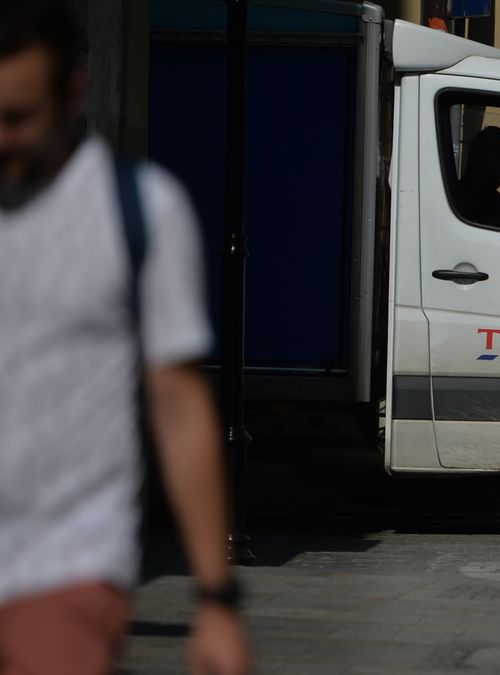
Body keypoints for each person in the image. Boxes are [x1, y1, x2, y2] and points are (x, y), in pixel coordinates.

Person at [0, 3, 250, 674]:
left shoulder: (137, 210)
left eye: (19, 119)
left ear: (72, 92)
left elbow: (178, 404)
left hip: (64, 565)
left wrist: (216, 599)